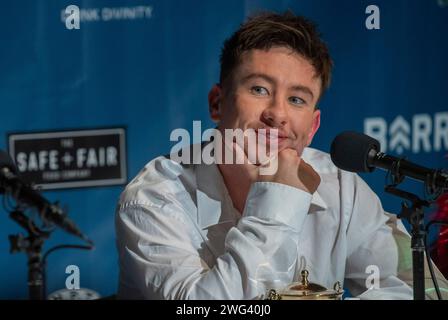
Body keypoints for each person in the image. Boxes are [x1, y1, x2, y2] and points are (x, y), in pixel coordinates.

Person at [115, 11, 447, 300]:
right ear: (217, 103)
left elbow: (428, 291)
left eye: (297, 100)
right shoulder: (153, 200)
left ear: (313, 125)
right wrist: (277, 201)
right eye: (259, 89)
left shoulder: (342, 188)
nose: (278, 114)